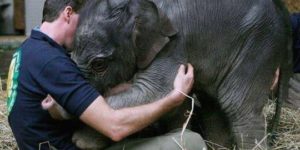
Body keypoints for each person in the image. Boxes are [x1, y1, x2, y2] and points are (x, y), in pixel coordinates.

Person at [6, 0, 206, 149]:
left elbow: (78, 97)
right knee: (192, 141)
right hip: (66, 146)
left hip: (41, 143)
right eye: (86, 20)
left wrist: (119, 89)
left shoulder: (28, 50)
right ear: (68, 13)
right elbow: (115, 127)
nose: (89, 27)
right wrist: (174, 98)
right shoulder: (52, 61)